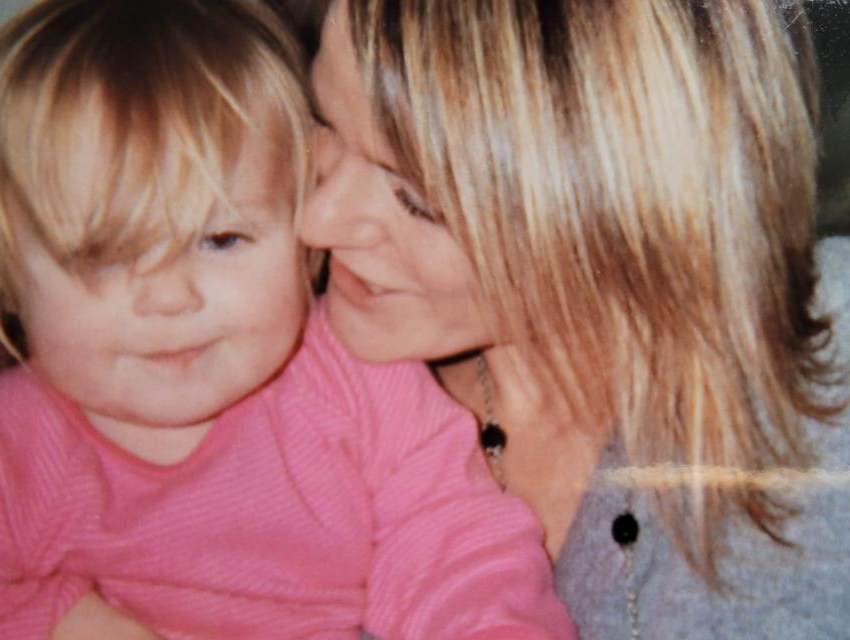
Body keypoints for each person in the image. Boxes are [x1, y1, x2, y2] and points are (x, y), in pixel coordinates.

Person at [0, 1, 576, 638]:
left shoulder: (365, 387)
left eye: (220, 240)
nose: (168, 298)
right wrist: (60, 621)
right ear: (7, 271)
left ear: (302, 239)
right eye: (102, 256)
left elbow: (454, 548)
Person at [300, 0, 850, 638]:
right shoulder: (262, 390)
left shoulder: (830, 370)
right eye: (324, 124)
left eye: (416, 201)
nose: (317, 219)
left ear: (622, 209)